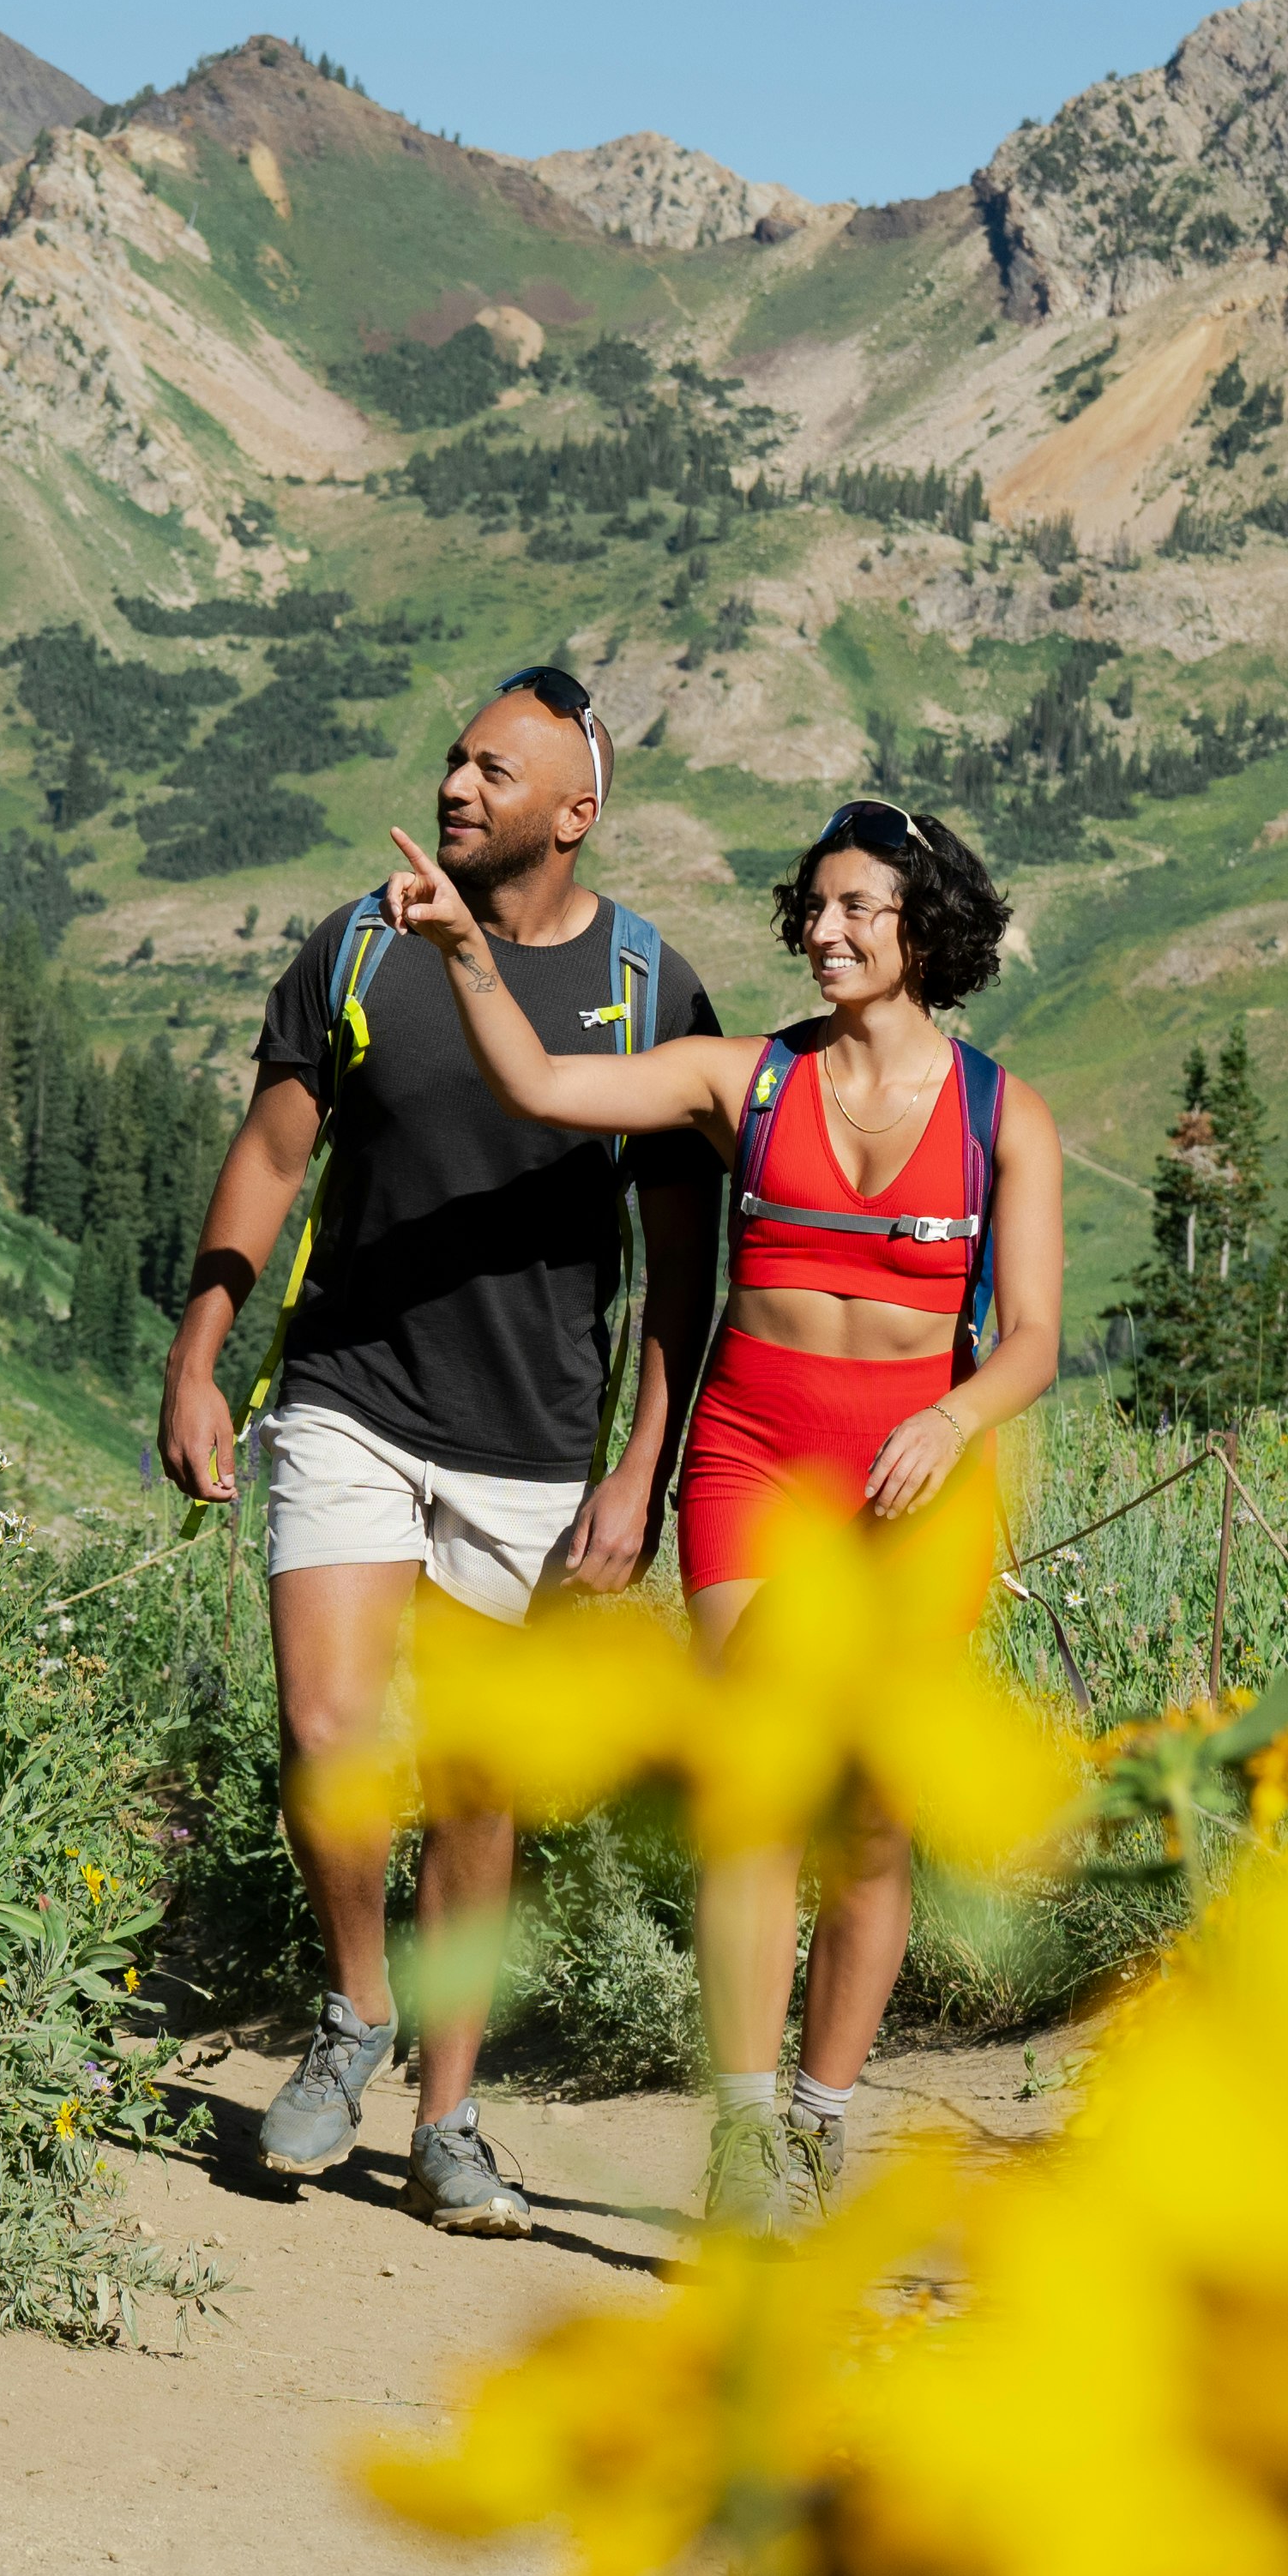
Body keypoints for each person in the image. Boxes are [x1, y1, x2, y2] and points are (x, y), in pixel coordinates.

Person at [375, 791, 1059, 2228]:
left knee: (871, 1816)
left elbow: (1034, 1344)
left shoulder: (1005, 1114)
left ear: (923, 929)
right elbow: (547, 1088)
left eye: (856, 908)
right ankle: (747, 2141)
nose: (822, 929)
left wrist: (951, 1416)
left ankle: (820, 2119)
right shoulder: (742, 1079)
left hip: (913, 1482)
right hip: (753, 1458)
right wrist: (463, 955)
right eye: (811, 907)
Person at [159, 660, 723, 2237]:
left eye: (494, 771)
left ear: (575, 811)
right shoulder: (358, 944)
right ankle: (354, 2021)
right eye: (454, 762)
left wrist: (644, 1468)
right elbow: (273, 1157)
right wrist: (199, 1354)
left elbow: (684, 1268)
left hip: (535, 1444)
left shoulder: (648, 989)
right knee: (332, 1733)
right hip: (348, 1392)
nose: (458, 788)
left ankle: (453, 2121)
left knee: (481, 1788)